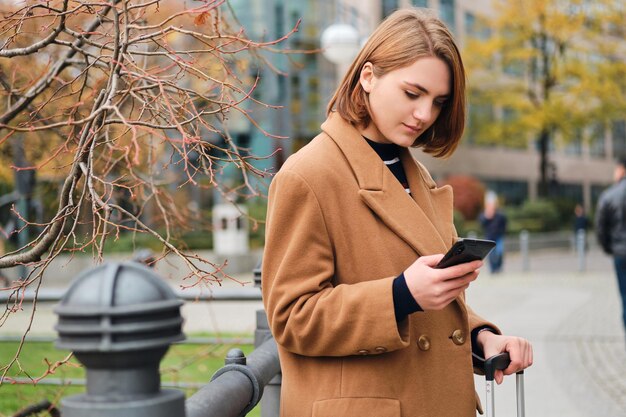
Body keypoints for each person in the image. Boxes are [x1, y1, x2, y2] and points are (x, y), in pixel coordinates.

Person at [262, 9, 532, 417]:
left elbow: (433, 299)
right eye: (412, 93)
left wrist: (481, 339)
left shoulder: (415, 174)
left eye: (438, 102)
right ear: (367, 77)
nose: (425, 114)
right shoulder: (308, 175)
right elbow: (291, 317)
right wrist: (400, 294)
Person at [595, 158, 626, 337]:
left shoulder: (610, 195)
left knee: (625, 295)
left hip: (620, 253)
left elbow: (601, 226)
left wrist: (609, 248)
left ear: (621, 170)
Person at [479, 192, 507, 274]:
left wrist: (502, 232)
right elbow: (482, 224)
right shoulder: (484, 214)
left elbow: (504, 223)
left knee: (499, 252)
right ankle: (493, 269)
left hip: (498, 236)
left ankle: (499, 267)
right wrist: (487, 217)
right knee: (491, 254)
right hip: (489, 237)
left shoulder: (500, 214)